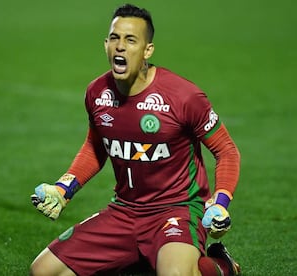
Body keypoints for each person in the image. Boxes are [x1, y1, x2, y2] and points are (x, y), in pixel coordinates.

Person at [30, 3, 241, 276]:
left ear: (147, 50)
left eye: (130, 40)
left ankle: (222, 265)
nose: (120, 46)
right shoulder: (97, 93)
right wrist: (63, 188)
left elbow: (226, 150)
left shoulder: (183, 96)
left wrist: (221, 201)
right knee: (44, 271)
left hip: (177, 210)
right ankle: (143, 258)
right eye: (115, 38)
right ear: (105, 44)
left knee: (174, 274)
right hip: (125, 212)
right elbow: (96, 147)